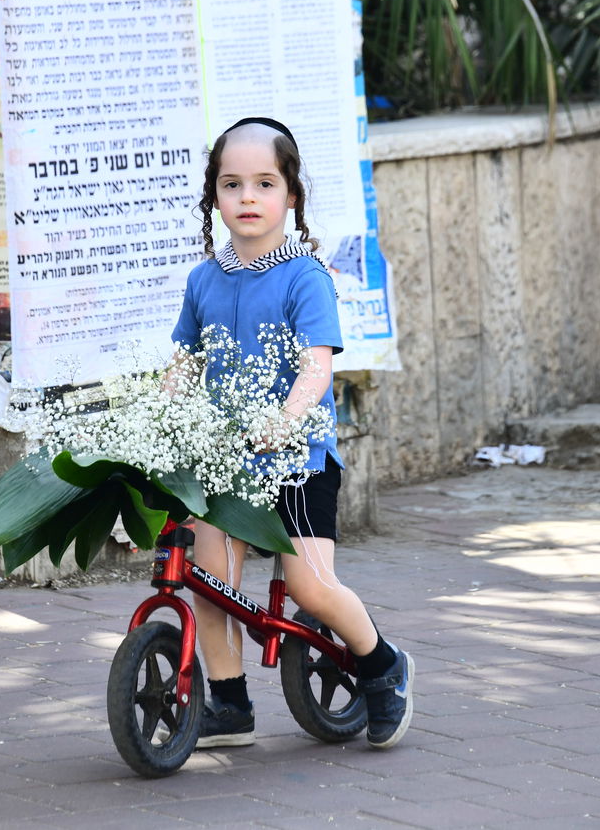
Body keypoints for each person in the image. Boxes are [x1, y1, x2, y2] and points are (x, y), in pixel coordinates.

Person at [170, 116, 414, 750]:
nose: (247, 198)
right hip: (228, 458)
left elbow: (316, 365)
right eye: (231, 184)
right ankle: (228, 703)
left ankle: (381, 664)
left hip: (297, 456)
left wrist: (284, 420)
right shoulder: (204, 280)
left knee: (308, 584)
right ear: (214, 196)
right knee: (210, 575)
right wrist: (158, 416)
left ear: (291, 196)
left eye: (264, 183)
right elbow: (183, 365)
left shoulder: (306, 277)